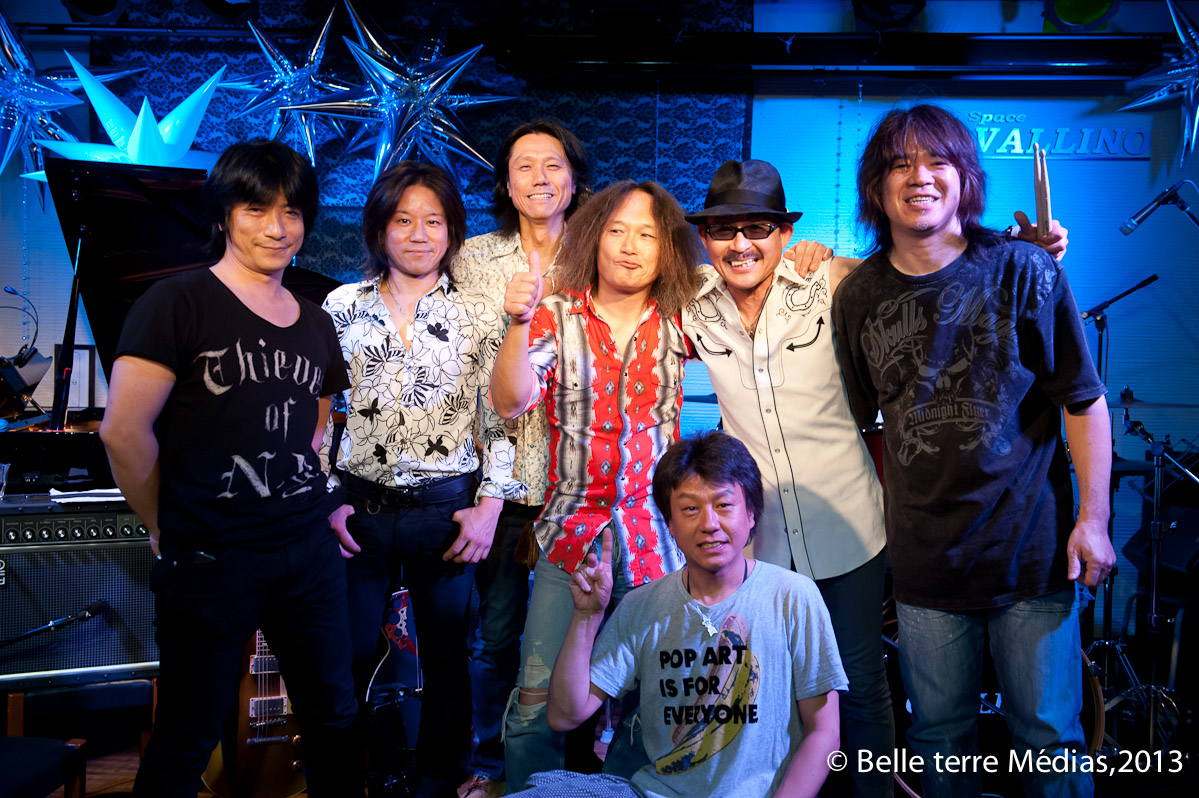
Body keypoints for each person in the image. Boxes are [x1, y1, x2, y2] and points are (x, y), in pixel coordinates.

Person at [681, 159, 1070, 797]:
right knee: (771, 682)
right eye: (724, 230)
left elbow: (926, 271)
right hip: (761, 536)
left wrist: (1019, 251)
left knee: (860, 681)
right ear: (705, 238)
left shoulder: (832, 279)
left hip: (849, 523)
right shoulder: (692, 304)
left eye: (758, 228)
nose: (740, 244)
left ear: (785, 233)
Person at [832, 103, 1113, 798]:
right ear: (875, 186)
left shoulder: (1023, 268)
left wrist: (1094, 520)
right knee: (938, 740)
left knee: (1047, 739)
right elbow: (864, 424)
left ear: (964, 178)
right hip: (925, 568)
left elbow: (1083, 401)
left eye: (937, 161)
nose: (918, 177)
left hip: (1030, 554)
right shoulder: (858, 296)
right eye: (899, 163)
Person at [99, 139, 359, 797]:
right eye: (257, 209)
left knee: (334, 717)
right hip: (211, 556)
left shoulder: (315, 323)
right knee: (187, 736)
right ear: (223, 215)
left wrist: (316, 499)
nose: (277, 227)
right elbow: (123, 432)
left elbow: (317, 425)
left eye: (292, 211)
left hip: (306, 552)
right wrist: (162, 523)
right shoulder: (176, 303)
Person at [322, 161, 526, 798]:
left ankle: (437, 782)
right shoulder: (340, 307)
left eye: (433, 221)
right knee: (348, 656)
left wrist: (490, 506)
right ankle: (354, 778)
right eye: (403, 220)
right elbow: (321, 417)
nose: (418, 234)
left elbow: (501, 419)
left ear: (452, 231)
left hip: (446, 511)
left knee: (446, 660)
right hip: (359, 512)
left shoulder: (481, 311)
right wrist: (327, 499)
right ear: (378, 229)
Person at [491, 179, 700, 791]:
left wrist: (814, 254)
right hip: (571, 540)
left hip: (658, 544)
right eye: (617, 231)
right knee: (536, 704)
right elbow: (510, 401)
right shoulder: (556, 314)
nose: (630, 247)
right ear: (593, 238)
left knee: (652, 709)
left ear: (667, 248)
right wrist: (517, 322)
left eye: (647, 235)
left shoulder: (683, 317)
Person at [510, 430, 846, 798]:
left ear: (751, 514)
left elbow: (824, 734)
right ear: (669, 523)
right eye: (690, 509)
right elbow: (564, 715)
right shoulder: (642, 605)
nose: (709, 523)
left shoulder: (793, 597)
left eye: (723, 505)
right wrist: (586, 618)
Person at [451, 119, 591, 798]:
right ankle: (490, 764)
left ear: (574, 178)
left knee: (581, 632)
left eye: (553, 164)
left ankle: (574, 770)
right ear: (506, 185)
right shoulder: (471, 259)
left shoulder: (601, 253)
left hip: (580, 481)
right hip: (498, 485)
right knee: (496, 636)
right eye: (524, 166)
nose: (540, 178)